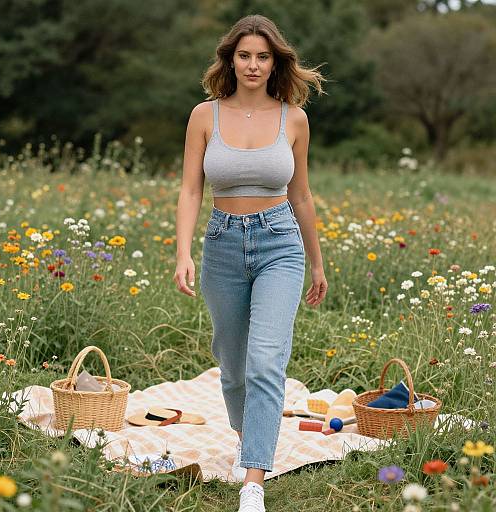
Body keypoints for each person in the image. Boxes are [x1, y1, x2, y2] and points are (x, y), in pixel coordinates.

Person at [174, 14, 328, 512]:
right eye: (245, 55)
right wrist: (182, 252)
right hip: (221, 244)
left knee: (266, 361)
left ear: (275, 60)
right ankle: (251, 436)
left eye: (263, 56)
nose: (254, 65)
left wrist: (317, 263)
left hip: (280, 243)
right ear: (231, 59)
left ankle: (253, 481)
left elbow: (301, 195)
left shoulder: (294, 119)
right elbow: (191, 189)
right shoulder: (204, 116)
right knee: (233, 365)